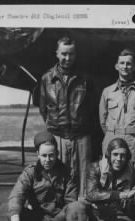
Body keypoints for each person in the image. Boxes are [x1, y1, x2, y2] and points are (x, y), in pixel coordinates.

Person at [8, 131, 92, 221]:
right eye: (44, 155)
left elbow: (69, 205)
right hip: (38, 218)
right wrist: (15, 219)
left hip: (59, 219)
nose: (48, 159)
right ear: (37, 155)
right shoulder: (30, 173)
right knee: (16, 213)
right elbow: (16, 195)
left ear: (57, 153)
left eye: (51, 155)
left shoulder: (68, 173)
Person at [39, 36, 96, 199]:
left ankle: (83, 212)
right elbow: (44, 109)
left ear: (76, 55)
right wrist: (56, 127)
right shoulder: (47, 78)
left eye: (71, 54)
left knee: (85, 181)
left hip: (82, 137)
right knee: (59, 178)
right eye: (64, 54)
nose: (67, 58)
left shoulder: (85, 79)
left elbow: (92, 109)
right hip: (58, 137)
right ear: (57, 54)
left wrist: (82, 127)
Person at [99, 48, 135, 183]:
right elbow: (102, 120)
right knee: (111, 175)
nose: (125, 66)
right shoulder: (107, 92)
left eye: (129, 63)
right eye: (122, 63)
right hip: (113, 136)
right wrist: (112, 135)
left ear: (134, 67)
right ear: (116, 66)